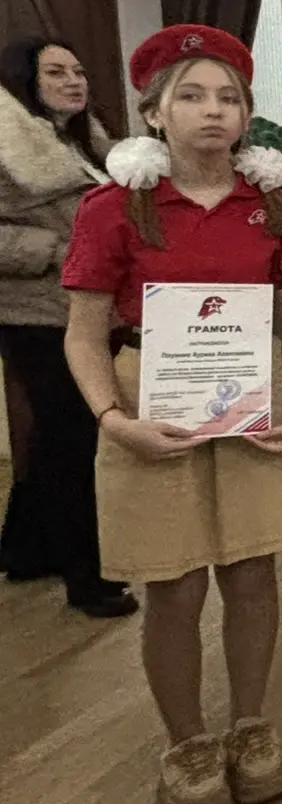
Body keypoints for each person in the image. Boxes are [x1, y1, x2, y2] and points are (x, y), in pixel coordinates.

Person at [61, 24, 282, 804]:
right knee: (173, 585)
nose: (214, 112)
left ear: (246, 114)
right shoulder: (114, 209)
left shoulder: (268, 206)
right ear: (153, 112)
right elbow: (83, 332)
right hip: (150, 404)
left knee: (252, 573)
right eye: (193, 96)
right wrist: (113, 418)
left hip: (249, 399)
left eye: (229, 98)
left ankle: (250, 723)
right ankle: (187, 743)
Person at [0, 37, 134, 617]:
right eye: (55, 73)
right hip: (35, 312)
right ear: (24, 81)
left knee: (56, 435)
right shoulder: (9, 145)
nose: (74, 81)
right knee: (73, 439)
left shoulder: (83, 143)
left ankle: (26, 549)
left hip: (86, 307)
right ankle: (88, 576)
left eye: (78, 71)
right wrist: (56, 250)